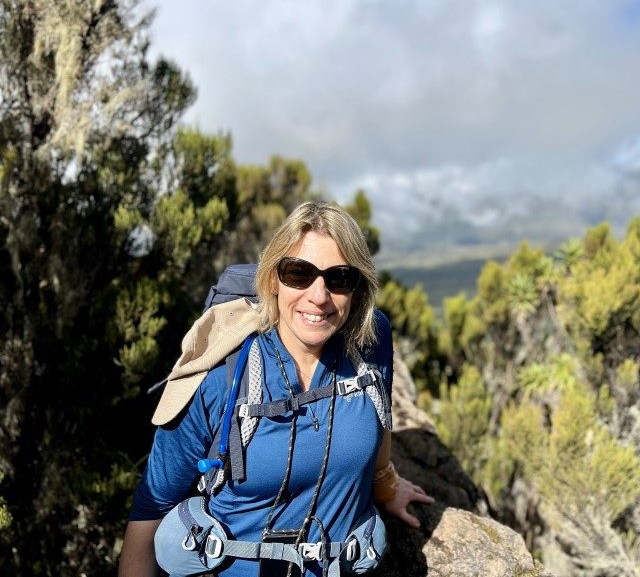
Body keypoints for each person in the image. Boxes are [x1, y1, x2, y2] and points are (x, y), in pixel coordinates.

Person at [119, 201, 434, 576]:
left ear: (357, 288)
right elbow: (150, 512)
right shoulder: (222, 374)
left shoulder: (371, 341)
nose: (319, 296)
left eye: (339, 278)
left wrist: (385, 483)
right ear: (272, 279)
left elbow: (378, 413)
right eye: (299, 273)